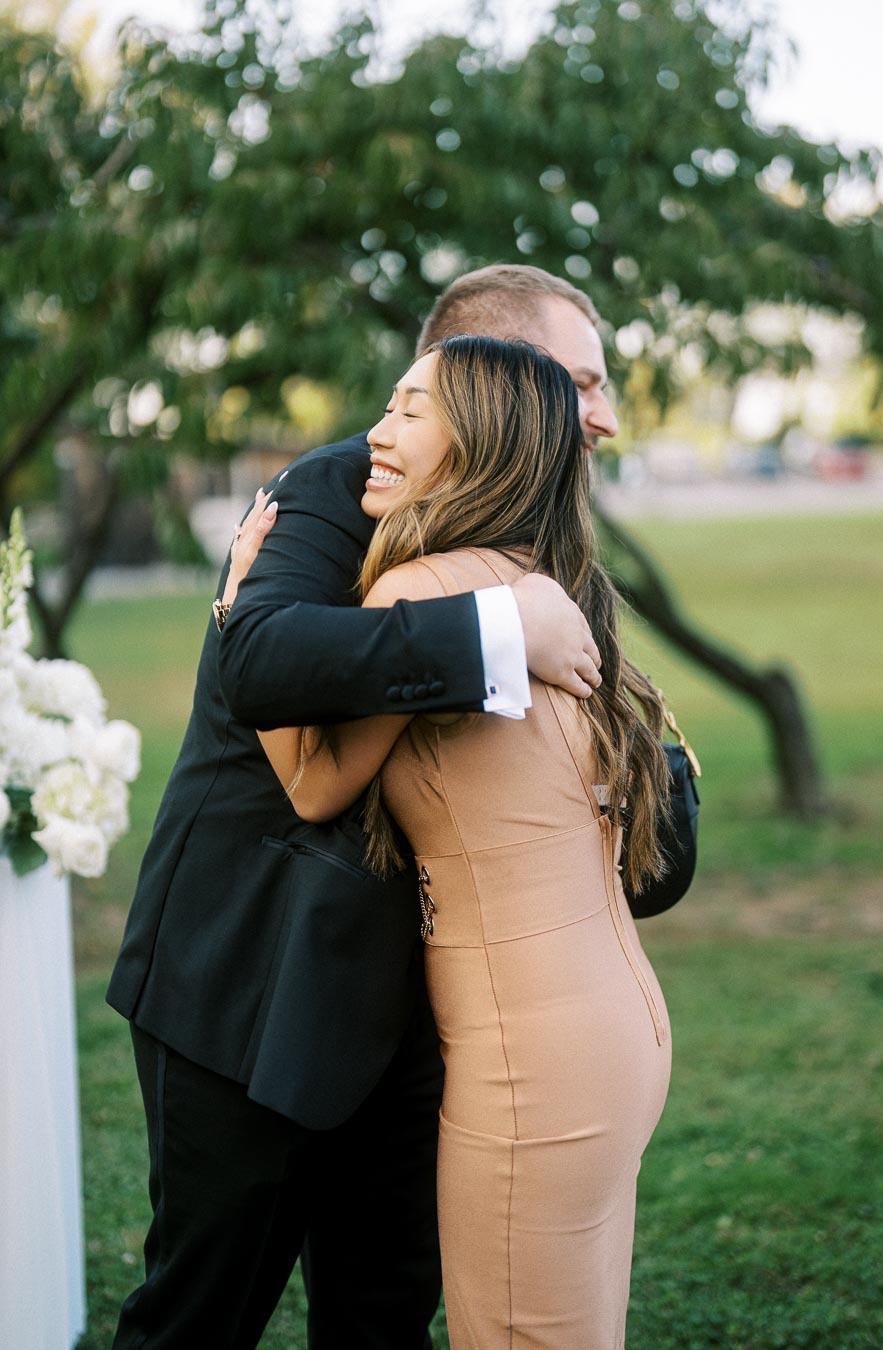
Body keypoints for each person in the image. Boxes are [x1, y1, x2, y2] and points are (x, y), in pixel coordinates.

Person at [106, 265, 611, 1348]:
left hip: (429, 1022)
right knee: (199, 1316)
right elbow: (267, 662)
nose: (603, 413)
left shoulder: (546, 545)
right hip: (248, 991)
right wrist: (496, 633)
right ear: (502, 386)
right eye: (583, 382)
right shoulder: (338, 486)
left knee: (384, 1319)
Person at [231, 335, 673, 1348]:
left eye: (410, 411)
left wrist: (241, 603)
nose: (376, 435)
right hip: (618, 1025)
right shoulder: (548, 586)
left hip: (531, 1050)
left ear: (479, 443)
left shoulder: (421, 594)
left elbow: (311, 783)